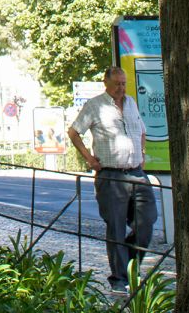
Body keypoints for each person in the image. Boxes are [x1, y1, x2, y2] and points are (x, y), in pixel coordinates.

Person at [67, 66, 158, 293]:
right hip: (111, 174)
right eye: (117, 83)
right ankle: (120, 280)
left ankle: (129, 265)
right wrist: (89, 158)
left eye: (124, 83)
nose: (121, 88)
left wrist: (143, 154)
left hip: (137, 172)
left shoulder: (131, 103)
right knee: (116, 227)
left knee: (146, 222)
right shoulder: (95, 105)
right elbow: (74, 132)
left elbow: (142, 130)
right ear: (106, 83)